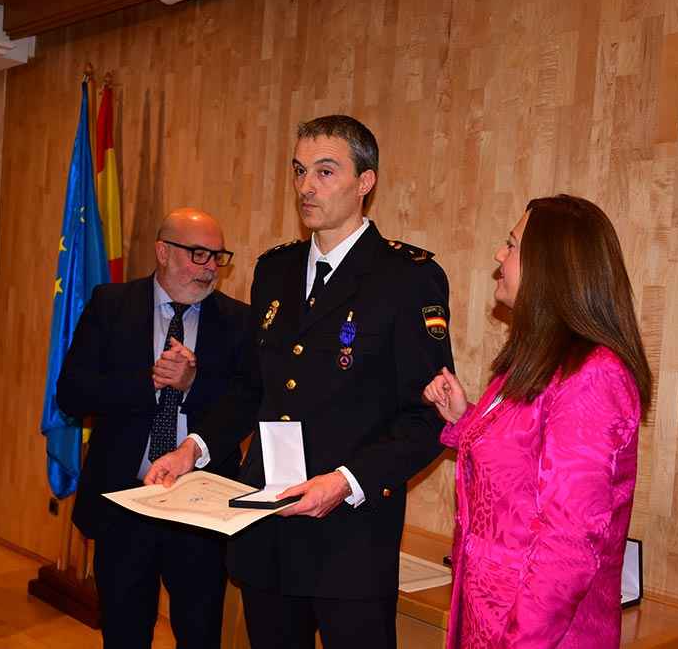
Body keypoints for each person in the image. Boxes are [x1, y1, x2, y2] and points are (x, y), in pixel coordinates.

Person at [144, 115, 455, 649]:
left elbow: (427, 417)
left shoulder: (407, 278)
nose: (307, 186)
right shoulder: (276, 270)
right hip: (270, 530)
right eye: (299, 171)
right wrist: (192, 449)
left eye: (326, 172)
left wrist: (344, 482)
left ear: (365, 182)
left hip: (350, 539)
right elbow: (253, 389)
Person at [423, 195, 652, 649]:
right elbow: (523, 473)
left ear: (550, 268)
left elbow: (567, 547)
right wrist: (465, 420)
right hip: (488, 620)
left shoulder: (593, 376)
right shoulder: (534, 362)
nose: (499, 256)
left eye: (511, 245)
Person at [56, 208, 250, 649]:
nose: (209, 268)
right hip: (125, 501)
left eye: (218, 257)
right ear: (163, 251)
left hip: (202, 508)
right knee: (125, 632)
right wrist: (150, 382)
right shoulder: (111, 304)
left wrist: (191, 384)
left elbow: (245, 404)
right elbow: (72, 393)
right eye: (198, 254)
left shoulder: (239, 321)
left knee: (199, 633)